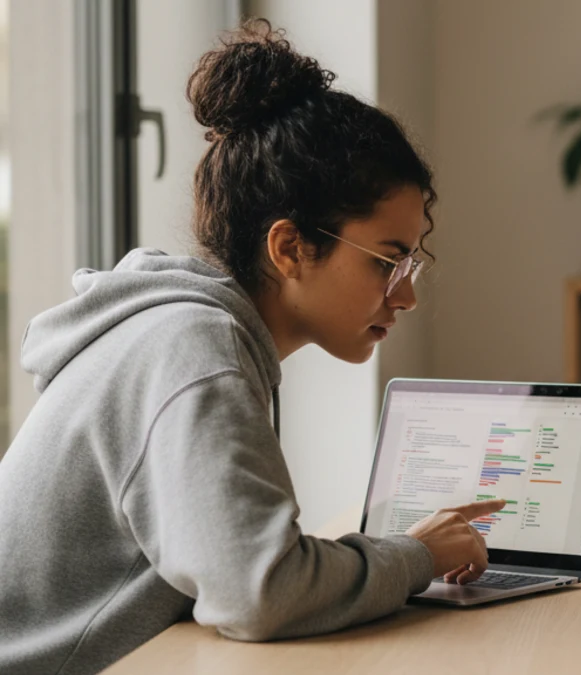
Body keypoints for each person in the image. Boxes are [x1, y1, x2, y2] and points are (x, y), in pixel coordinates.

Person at [0, 21, 505, 675]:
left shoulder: (186, 331)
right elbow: (261, 591)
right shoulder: (195, 349)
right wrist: (414, 556)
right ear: (290, 247)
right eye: (386, 262)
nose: (405, 297)